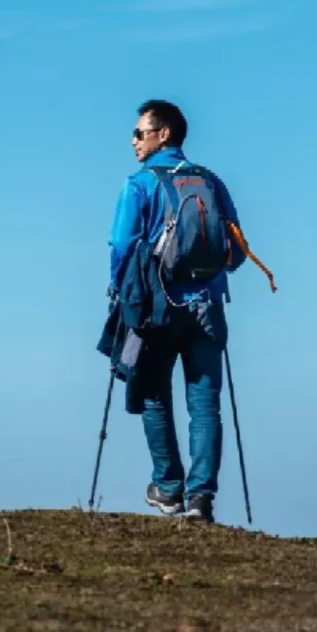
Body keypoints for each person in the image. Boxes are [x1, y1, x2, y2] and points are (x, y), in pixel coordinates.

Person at [108, 100, 245, 523]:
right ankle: (201, 499)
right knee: (205, 404)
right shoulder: (210, 181)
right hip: (207, 307)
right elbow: (237, 249)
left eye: (139, 133)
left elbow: (121, 246)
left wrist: (119, 291)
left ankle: (168, 488)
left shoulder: (139, 184)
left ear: (163, 134)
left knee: (152, 392)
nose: (132, 140)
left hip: (157, 308)